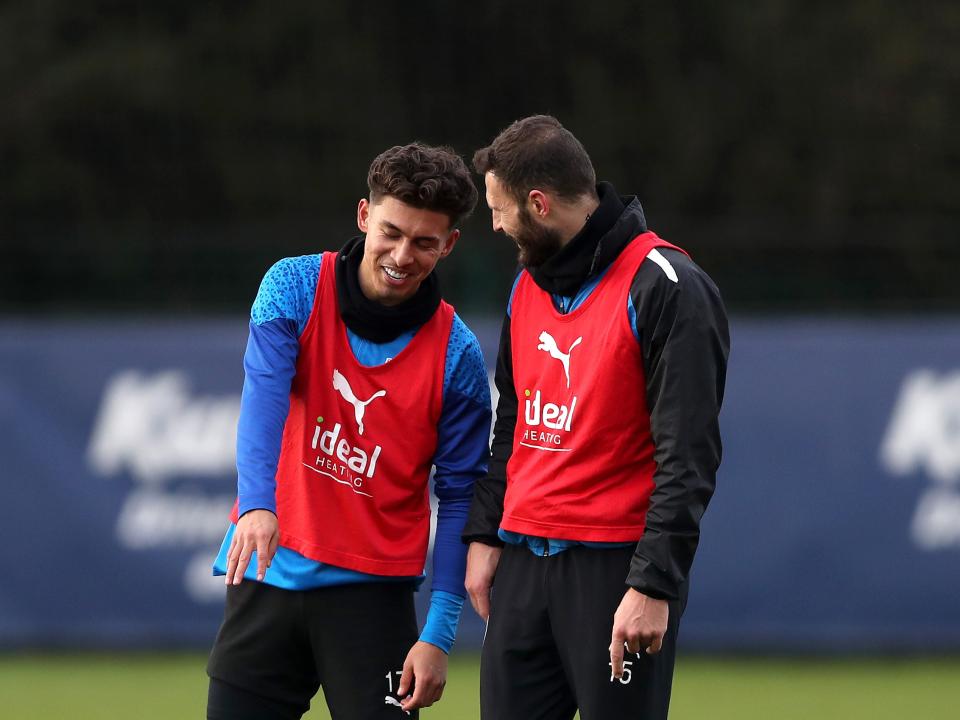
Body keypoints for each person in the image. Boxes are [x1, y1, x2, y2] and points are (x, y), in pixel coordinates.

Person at [206, 143, 491, 720]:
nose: (402, 255)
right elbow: (262, 400)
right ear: (364, 216)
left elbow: (460, 494)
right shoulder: (292, 286)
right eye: (391, 231)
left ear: (449, 244)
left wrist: (438, 632)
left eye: (424, 242)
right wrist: (258, 506)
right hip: (270, 570)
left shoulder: (457, 352)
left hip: (375, 598)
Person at [462, 115, 729, 720]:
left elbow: (688, 455)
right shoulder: (525, 287)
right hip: (523, 565)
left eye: (501, 209)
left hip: (615, 572)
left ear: (540, 203)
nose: (497, 224)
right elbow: (512, 422)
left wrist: (654, 585)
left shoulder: (668, 285)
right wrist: (485, 532)